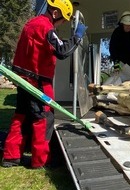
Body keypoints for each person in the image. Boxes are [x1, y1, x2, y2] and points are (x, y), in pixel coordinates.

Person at [1, 0, 87, 169]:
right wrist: (77, 37)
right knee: (44, 119)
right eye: (62, 20)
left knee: (21, 117)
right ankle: (41, 160)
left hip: (24, 81)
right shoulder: (46, 27)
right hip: (38, 83)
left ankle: (11, 157)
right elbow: (62, 51)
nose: (61, 24)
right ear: (55, 13)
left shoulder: (31, 24)